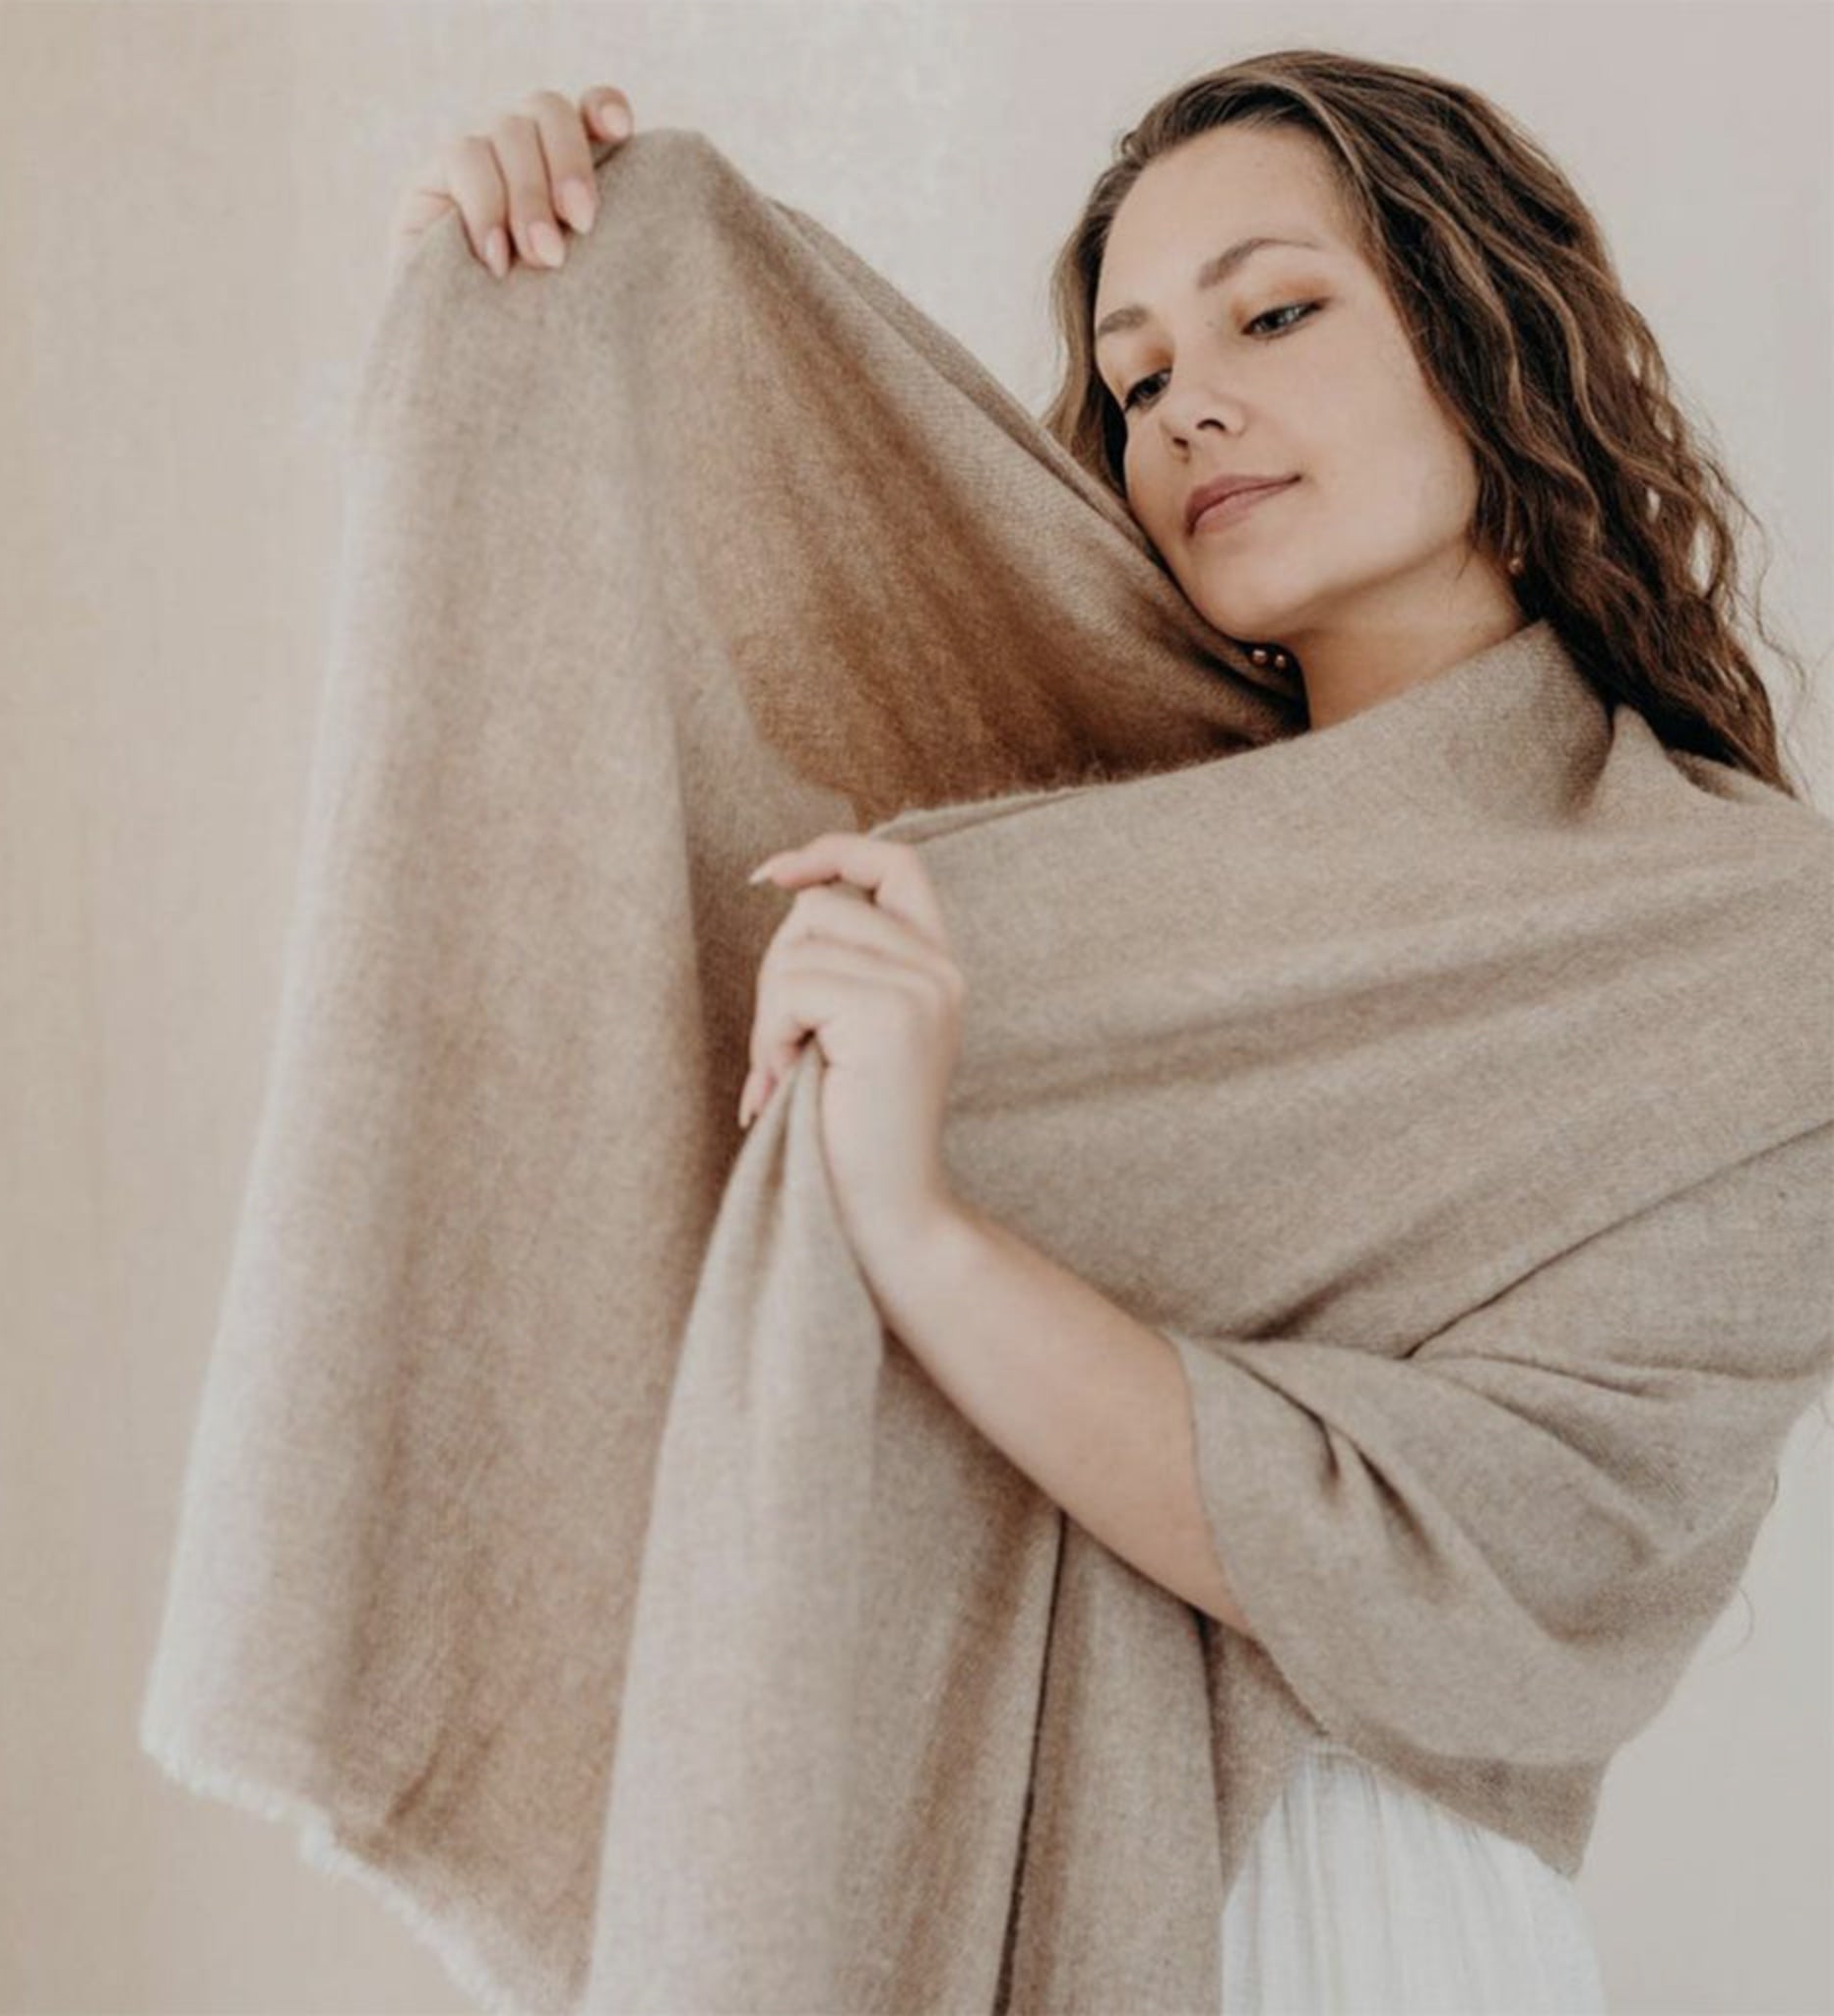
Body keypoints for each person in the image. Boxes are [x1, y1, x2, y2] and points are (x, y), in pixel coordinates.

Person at [383, 51, 1811, 2010]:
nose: (1189, 403)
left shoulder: (1745, 952)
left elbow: (1474, 1556)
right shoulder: (1039, 861)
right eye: (1135, 379)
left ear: (1487, 330)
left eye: (1276, 312)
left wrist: (923, 1234)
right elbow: (588, 867)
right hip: (931, 1895)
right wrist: (519, 304)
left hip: (1374, 1929)